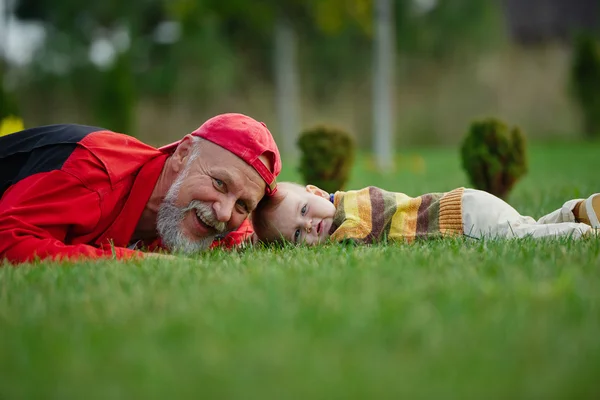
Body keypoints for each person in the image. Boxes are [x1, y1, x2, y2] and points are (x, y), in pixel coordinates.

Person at [0, 113, 281, 264]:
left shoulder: (203, 217)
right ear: (183, 154)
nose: (223, 213)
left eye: (242, 205)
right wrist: (138, 261)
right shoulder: (91, 170)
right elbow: (7, 242)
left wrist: (322, 207)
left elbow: (261, 231)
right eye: (219, 184)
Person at [251, 182, 599, 245]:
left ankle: (579, 235)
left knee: (515, 236)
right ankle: (579, 213)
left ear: (314, 192)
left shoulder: (352, 206)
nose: (310, 225)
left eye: (304, 211)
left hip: (461, 217)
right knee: (524, 227)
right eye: (297, 234)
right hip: (467, 208)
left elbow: (359, 233)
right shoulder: (337, 214)